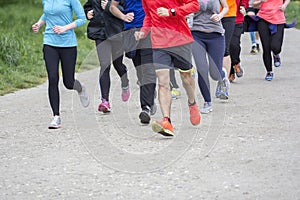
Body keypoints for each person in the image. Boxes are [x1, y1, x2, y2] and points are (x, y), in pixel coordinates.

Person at [135, 0, 201, 136]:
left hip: (180, 39)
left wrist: (172, 12)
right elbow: (149, 15)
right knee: (163, 83)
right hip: (159, 43)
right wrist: (144, 31)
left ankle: (192, 102)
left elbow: (194, 5)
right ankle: (167, 121)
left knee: (186, 77)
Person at [32, 0, 89, 129]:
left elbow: (82, 19)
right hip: (49, 42)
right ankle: (56, 116)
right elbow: (48, 14)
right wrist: (39, 23)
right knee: (53, 78)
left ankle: (80, 88)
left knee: (68, 83)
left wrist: (65, 28)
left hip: (68, 44)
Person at [110, 0, 157, 124]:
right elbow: (112, 7)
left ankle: (145, 107)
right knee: (140, 70)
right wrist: (123, 16)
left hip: (149, 30)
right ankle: (150, 94)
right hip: (131, 31)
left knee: (147, 68)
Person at [83, 0, 130, 113]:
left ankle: (125, 82)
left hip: (116, 31)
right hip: (100, 31)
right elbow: (88, 5)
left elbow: (127, 9)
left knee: (118, 64)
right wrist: (88, 13)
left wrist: (110, 7)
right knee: (105, 64)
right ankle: (105, 101)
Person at [190, 0, 229, 114]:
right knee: (202, 69)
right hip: (196, 34)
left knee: (215, 74)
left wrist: (220, 15)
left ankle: (222, 75)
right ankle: (207, 102)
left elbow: (226, 7)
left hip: (216, 34)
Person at [254, 0, 290, 81]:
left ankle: (276, 54)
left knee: (276, 47)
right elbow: (254, 5)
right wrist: (261, 1)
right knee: (266, 48)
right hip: (263, 19)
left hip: (278, 19)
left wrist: (284, 5)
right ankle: (269, 71)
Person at [228, 0, 249, 82]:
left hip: (237, 19)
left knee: (234, 44)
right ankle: (230, 71)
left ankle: (236, 63)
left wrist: (243, 6)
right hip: (222, 19)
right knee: (226, 47)